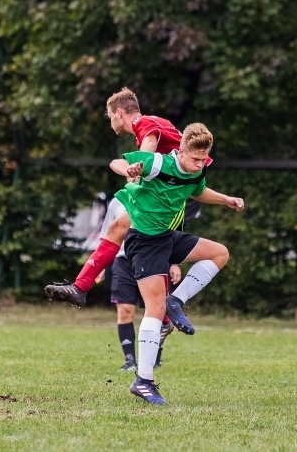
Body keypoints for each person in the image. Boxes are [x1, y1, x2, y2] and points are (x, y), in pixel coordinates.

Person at [111, 123, 244, 405]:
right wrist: (130, 170)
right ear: (180, 150)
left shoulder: (198, 170)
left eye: (203, 159)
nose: (199, 164)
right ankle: (143, 381)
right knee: (154, 309)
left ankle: (177, 301)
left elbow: (198, 191)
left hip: (168, 237)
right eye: (194, 159)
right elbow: (116, 162)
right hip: (144, 241)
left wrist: (226, 200)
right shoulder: (159, 163)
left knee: (219, 253)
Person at [44, 87, 203, 306]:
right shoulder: (152, 123)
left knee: (152, 252)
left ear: (119, 113)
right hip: (166, 193)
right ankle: (80, 287)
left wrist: (140, 170)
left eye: (110, 117)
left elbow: (150, 141)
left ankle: (167, 314)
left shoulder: (142, 123)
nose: (111, 123)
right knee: (119, 228)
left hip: (177, 195)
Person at [103, 197, 177, 371]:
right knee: (125, 311)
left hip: (151, 259)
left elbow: (171, 234)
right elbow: (107, 235)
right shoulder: (117, 201)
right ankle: (129, 361)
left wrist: (175, 263)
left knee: (157, 310)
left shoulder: (158, 196)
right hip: (123, 263)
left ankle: (154, 355)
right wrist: (100, 266)